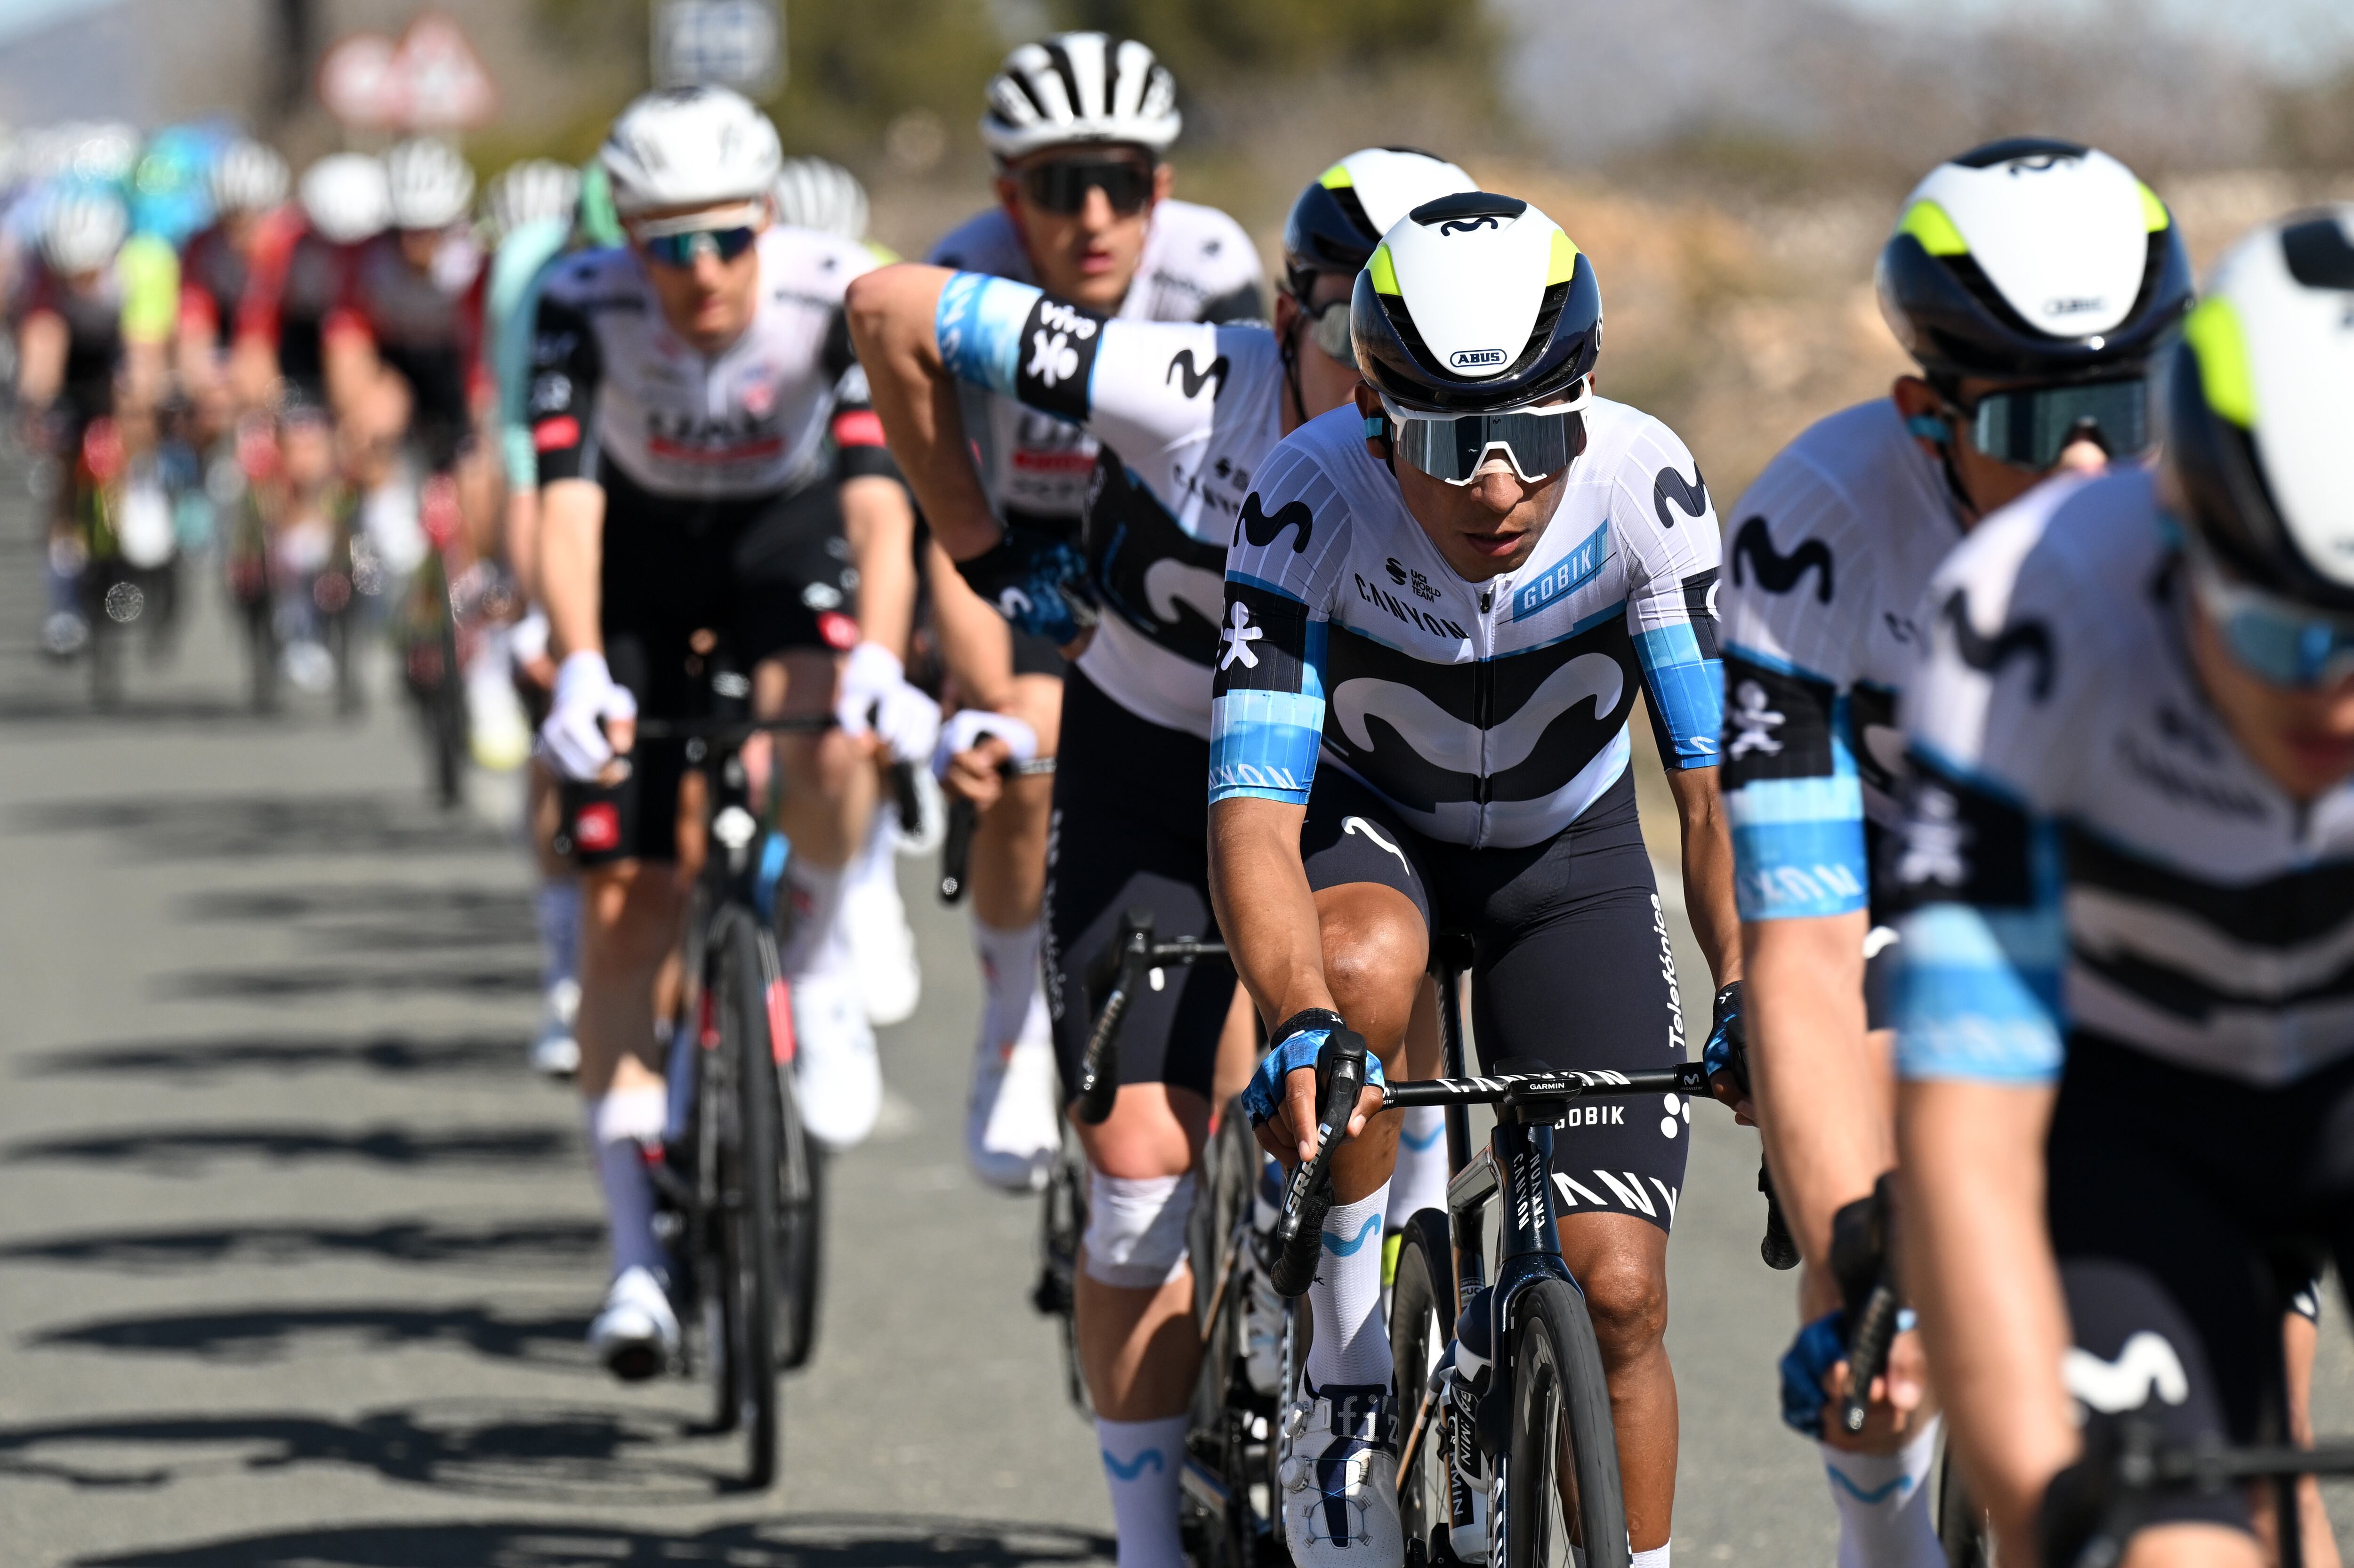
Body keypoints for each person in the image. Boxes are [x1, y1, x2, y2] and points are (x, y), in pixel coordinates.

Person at [848, 144, 1472, 1568]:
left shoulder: (1467, 430)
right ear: (1281, 315)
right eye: (1355, 343)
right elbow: (889, 306)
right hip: (1148, 762)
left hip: (1335, 781)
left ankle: (1369, 1340)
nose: (1389, 389)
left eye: (1421, 354)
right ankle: (1142, 1539)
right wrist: (986, 553)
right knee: (1137, 1177)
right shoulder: (1187, 382)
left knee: (1366, 1007)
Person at [1209, 192, 1737, 1568]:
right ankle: (1339, 1374)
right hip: (1369, 836)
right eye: (1447, 441)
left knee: (1617, 1289)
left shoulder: (1641, 482)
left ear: (1586, 401)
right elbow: (1254, 813)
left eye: (1531, 433)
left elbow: (1710, 789)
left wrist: (1748, 988)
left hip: (1567, 861)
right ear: (1379, 419)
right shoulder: (1305, 493)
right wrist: (1298, 1014)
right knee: (1364, 981)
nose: (1494, 483)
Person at [1713, 138, 2196, 1568]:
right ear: (1926, 412)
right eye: (2042, 422)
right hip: (1891, 881)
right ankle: (1883, 1534)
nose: (2095, 461)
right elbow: (1797, 959)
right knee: (1887, 1256)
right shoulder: (1812, 533)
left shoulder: (2226, 506)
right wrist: (1859, 1246)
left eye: (2125, 406)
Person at [1886, 206, 2354, 1568]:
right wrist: (2054, 1505)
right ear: (2180, 535)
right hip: (2127, 1107)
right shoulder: (2026, 614)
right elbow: (1966, 1143)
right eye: (2280, 630)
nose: (2332, 695)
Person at [526, 86, 929, 1375]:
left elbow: (880, 504)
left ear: (769, 217)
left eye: (726, 238)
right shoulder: (579, 298)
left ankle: (812, 942)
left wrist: (874, 655)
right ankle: (638, 1259)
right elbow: (565, 504)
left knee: (825, 742)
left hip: (780, 533)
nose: (700, 271)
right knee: (627, 901)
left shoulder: (835, 289)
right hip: (639, 552)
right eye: (667, 244)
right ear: (625, 238)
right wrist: (581, 663)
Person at [928, 30, 1266, 1192]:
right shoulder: (963, 273)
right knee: (1025, 739)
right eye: (1055, 187)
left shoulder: (1210, 264)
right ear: (1005, 195)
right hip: (1025, 563)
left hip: (1173, 568)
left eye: (1117, 183)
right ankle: (1018, 1011)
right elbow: (941, 506)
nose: (1090, 216)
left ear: (1157, 189)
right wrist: (986, 680)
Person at [12, 187, 178, 656]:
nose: (79, 284)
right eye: (70, 275)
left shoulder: (143, 265)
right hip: (75, 360)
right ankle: (64, 602)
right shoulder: (43, 277)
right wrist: (37, 406)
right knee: (63, 464)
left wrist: (142, 398)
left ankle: (142, 484)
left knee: (135, 402)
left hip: (123, 351)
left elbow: (145, 356)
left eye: (88, 273)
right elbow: (42, 352)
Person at [176, 137, 290, 426]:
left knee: (255, 378)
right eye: (229, 220)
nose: (238, 234)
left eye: (250, 220)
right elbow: (192, 334)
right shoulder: (202, 248)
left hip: (290, 347)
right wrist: (204, 383)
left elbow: (256, 343)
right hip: (238, 343)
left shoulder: (295, 245)